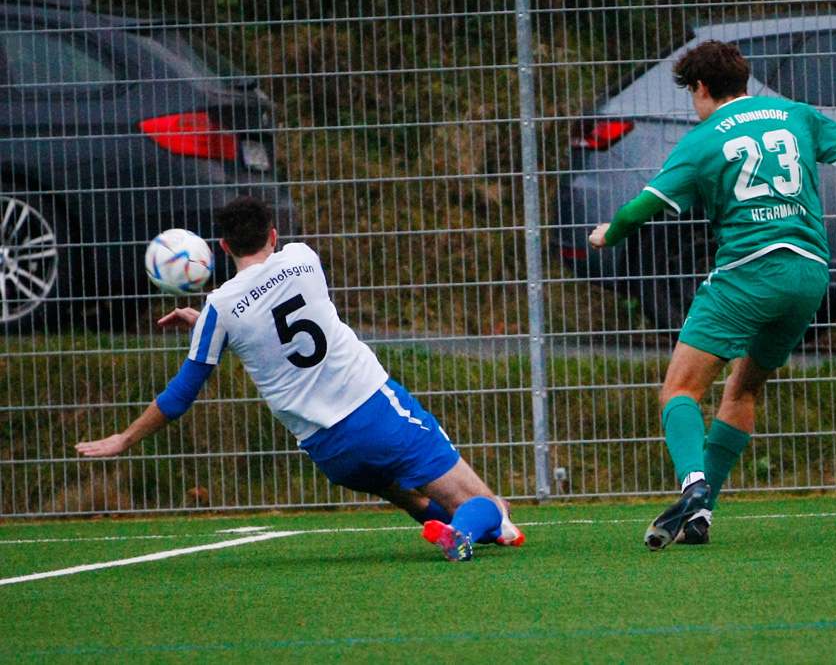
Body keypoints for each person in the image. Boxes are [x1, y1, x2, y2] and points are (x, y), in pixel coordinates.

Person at [588, 41, 836, 549]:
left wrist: (608, 233)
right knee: (742, 390)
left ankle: (693, 482)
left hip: (747, 276)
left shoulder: (701, 141)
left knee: (680, 391)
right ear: (744, 78)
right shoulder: (798, 116)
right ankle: (702, 515)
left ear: (700, 88)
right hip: (808, 277)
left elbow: (642, 207)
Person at [76, 196, 525, 562]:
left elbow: (181, 395)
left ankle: (445, 523)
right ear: (273, 236)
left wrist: (124, 438)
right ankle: (464, 532)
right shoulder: (303, 259)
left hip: (330, 452)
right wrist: (211, 323)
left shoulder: (219, 309)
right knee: (489, 507)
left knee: (407, 490)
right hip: (377, 414)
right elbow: (279, 307)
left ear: (223, 247)